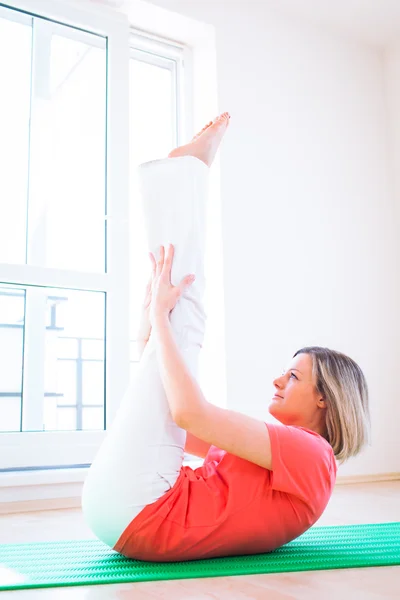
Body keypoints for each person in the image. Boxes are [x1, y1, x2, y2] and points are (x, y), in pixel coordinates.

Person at [81, 113, 371, 563]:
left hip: (142, 512)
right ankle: (184, 178)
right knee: (179, 327)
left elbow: (187, 412)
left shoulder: (311, 455)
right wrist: (154, 318)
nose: (277, 382)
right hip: (129, 514)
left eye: (293, 376)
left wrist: (162, 316)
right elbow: (172, 406)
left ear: (324, 400)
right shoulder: (282, 456)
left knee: (185, 320)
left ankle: (186, 177)